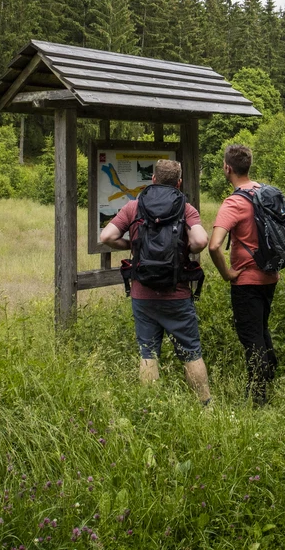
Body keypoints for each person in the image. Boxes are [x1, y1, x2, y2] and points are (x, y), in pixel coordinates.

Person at [99, 159, 212, 404]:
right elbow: (201, 242)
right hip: (177, 292)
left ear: (153, 179)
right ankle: (205, 406)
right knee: (191, 351)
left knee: (148, 352)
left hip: (143, 293)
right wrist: (187, 247)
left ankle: (150, 409)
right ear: (178, 183)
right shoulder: (186, 208)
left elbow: (106, 236)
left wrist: (132, 245)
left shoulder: (134, 207)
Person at [207, 143, 279, 404]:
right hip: (270, 275)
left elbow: (214, 244)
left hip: (246, 279)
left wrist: (227, 273)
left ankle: (258, 396)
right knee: (260, 327)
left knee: (250, 336)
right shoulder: (265, 192)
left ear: (227, 168)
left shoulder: (234, 202)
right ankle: (270, 370)